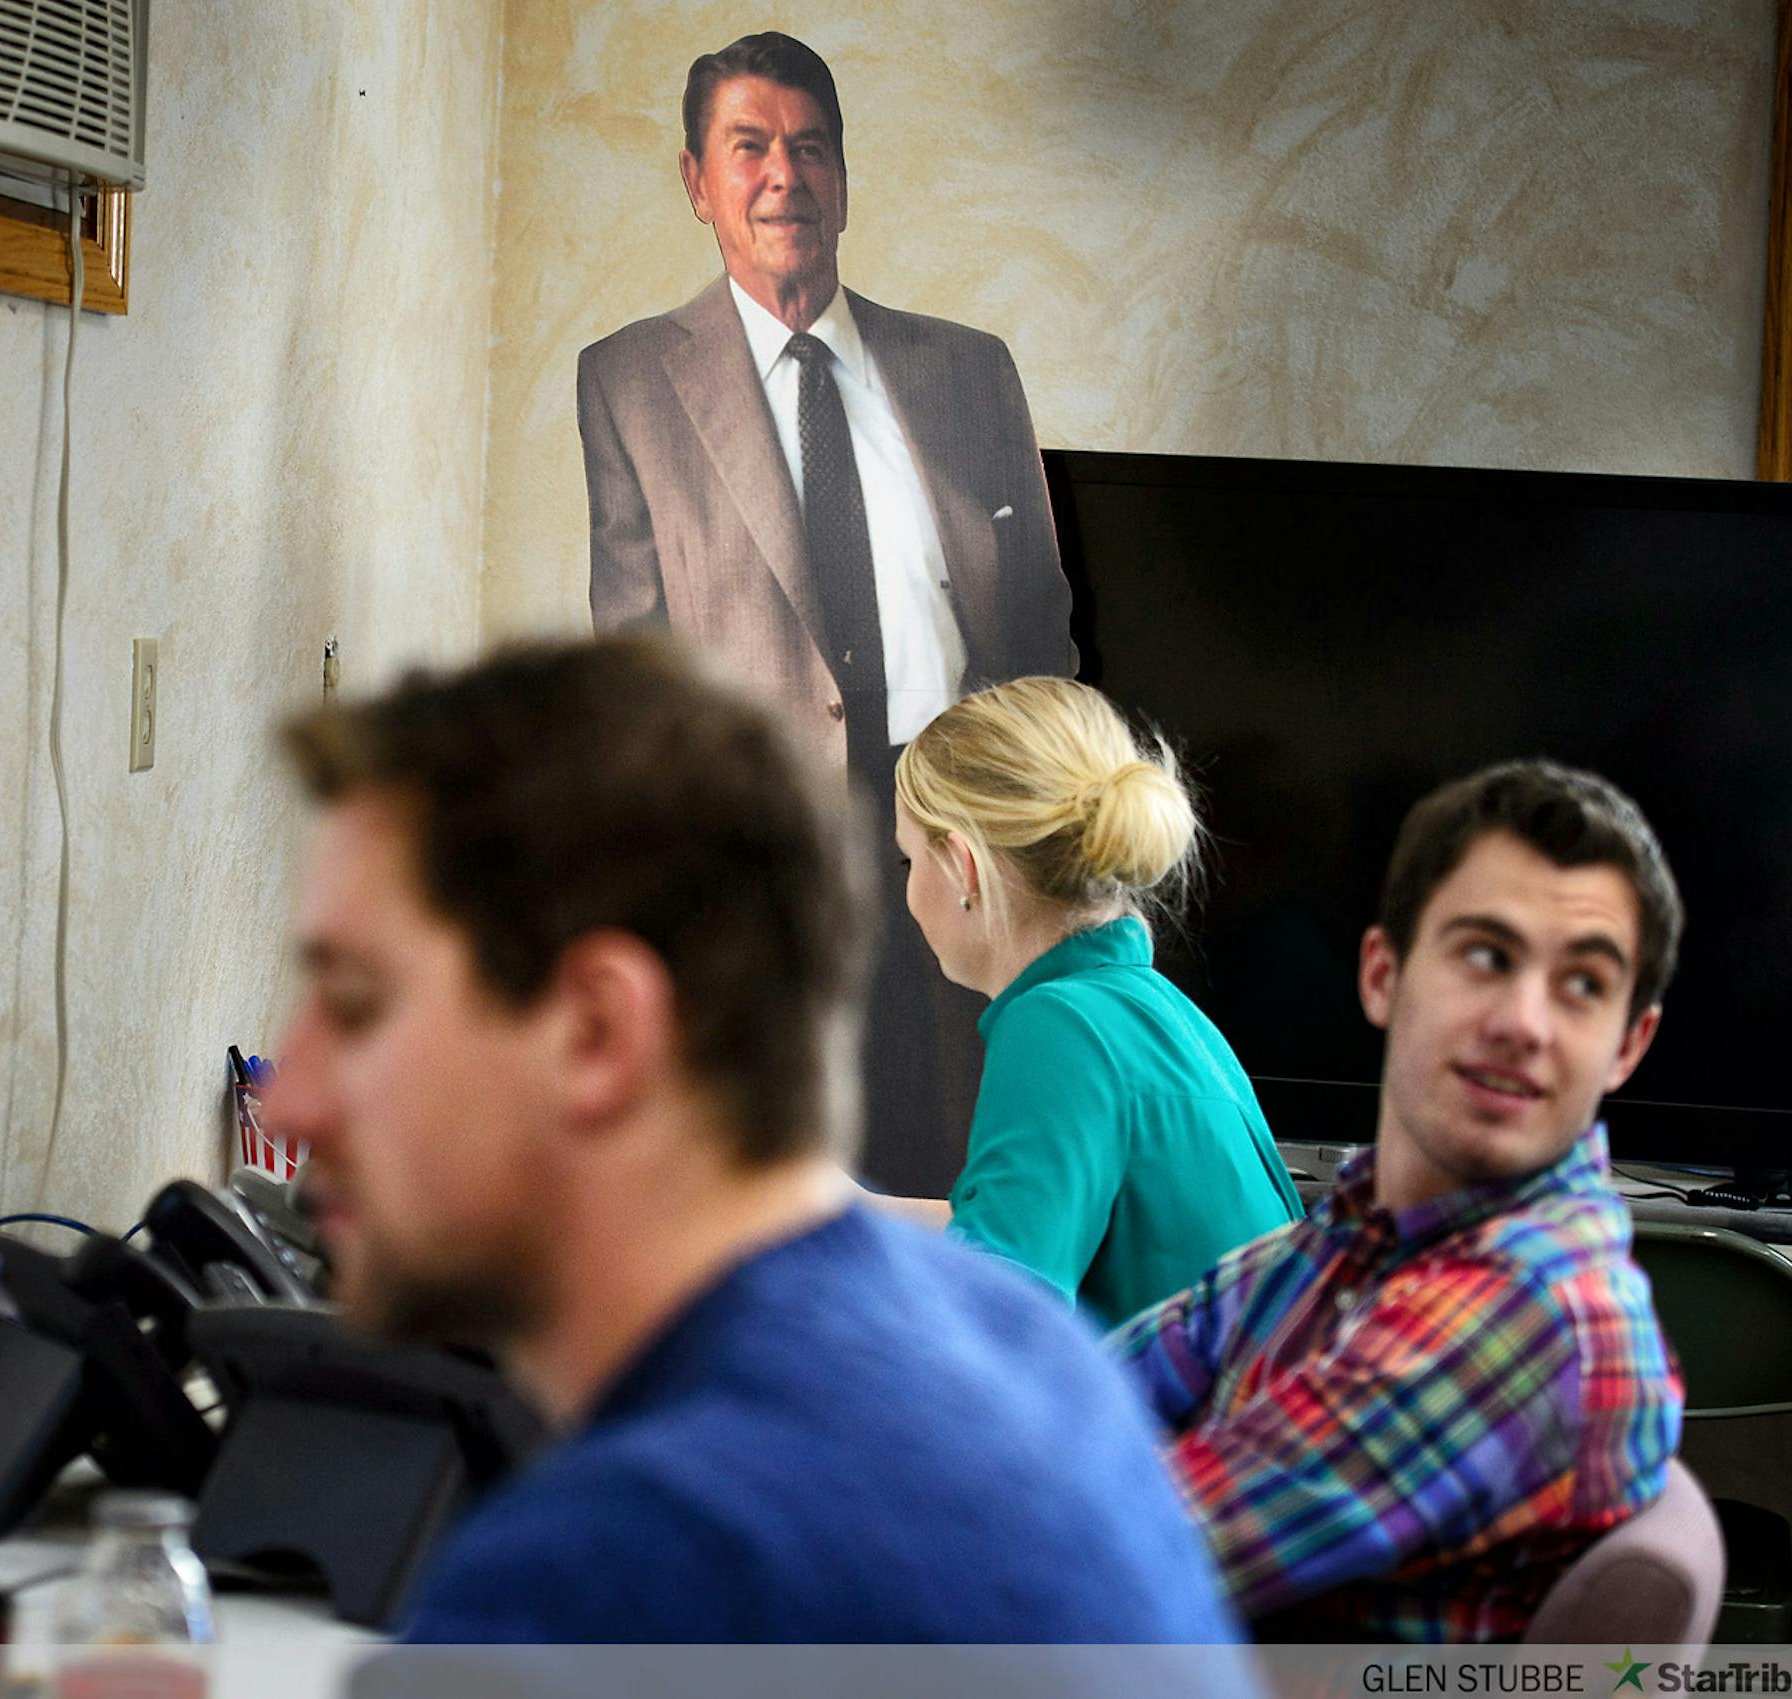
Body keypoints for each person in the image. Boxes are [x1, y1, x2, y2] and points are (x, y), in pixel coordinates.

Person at [261, 634, 1243, 1645]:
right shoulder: (1052, 1372)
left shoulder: (601, 1568)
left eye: (358, 1002)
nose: (284, 1100)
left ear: (597, 1032)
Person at [577, 31, 1077, 1196]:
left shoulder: (969, 371)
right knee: (787, 1190)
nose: (782, 175)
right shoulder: (630, 381)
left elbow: (1043, 628)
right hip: (766, 864)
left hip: (960, 839)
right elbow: (638, 674)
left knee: (974, 1179)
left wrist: (1031, 843)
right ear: (697, 182)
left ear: (843, 180)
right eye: (748, 146)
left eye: (810, 148)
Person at [1109, 760, 1686, 1641]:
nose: (1524, 1023)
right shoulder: (1362, 1228)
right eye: (1486, 955)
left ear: (1629, 1046)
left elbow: (1110, 1554)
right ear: (1382, 974)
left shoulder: (1531, 1308)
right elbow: (1089, 1385)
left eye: (1583, 984)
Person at [886, 677, 1301, 1322]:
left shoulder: (1058, 1028)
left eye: (908, 862)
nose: (909, 891)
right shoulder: (1157, 1017)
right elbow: (1015, 1224)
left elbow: (997, 1314)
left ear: (963, 867)